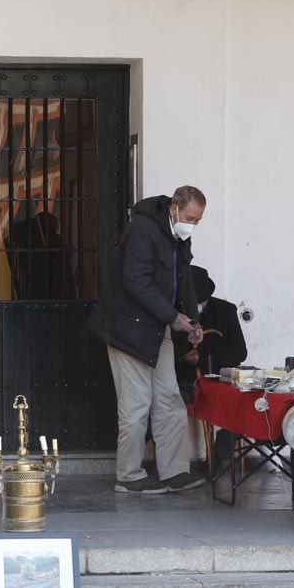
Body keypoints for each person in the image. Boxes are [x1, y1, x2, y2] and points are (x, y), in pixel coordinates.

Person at [89, 185, 208, 494]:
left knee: (169, 399)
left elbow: (185, 280)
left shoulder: (178, 235)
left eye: (198, 220)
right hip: (127, 330)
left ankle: (175, 471)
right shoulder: (142, 229)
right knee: (136, 405)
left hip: (158, 328)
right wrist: (173, 317)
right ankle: (128, 476)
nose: (193, 224)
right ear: (174, 209)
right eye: (191, 218)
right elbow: (135, 281)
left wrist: (193, 320)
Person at [173, 266, 247, 470]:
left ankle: (220, 454)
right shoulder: (174, 315)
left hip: (217, 380)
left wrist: (203, 357)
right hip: (185, 382)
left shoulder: (225, 310)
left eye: (200, 302)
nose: (197, 306)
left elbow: (239, 352)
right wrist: (184, 358)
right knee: (160, 401)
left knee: (242, 403)